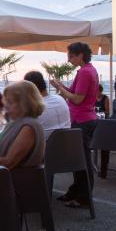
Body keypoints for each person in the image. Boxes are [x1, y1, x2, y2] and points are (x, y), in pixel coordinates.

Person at [49, 42, 98, 209]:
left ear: (80, 55)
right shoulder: (87, 70)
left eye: (71, 56)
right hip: (83, 119)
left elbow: (77, 99)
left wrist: (61, 90)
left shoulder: (85, 72)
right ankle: (76, 191)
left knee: (81, 160)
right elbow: (73, 92)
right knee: (78, 159)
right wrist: (59, 86)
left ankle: (84, 197)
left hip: (82, 119)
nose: (69, 60)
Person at [0, 81, 45, 168]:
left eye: (10, 102)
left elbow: (9, 162)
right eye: (6, 102)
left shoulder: (29, 127)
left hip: (10, 179)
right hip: (0, 174)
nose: (6, 106)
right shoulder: (17, 122)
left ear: (25, 103)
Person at [23, 71, 71, 139]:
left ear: (28, 88)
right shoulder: (60, 99)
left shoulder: (34, 108)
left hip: (45, 147)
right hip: (69, 144)